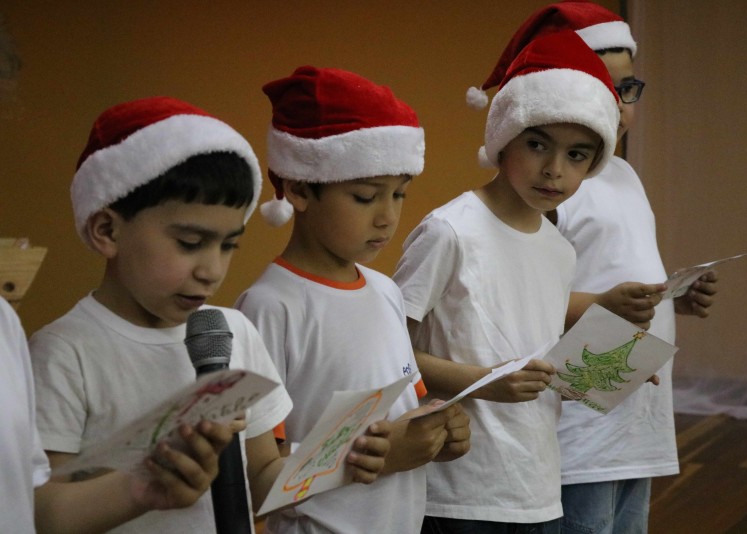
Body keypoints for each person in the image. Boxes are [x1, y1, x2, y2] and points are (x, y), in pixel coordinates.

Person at [28, 96, 390, 533]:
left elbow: (261, 480)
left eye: (228, 245)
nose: (212, 270)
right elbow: (41, 512)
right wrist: (142, 484)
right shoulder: (64, 352)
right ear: (107, 230)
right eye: (190, 243)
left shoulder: (232, 332)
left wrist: (338, 458)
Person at [489, 2, 718, 532]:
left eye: (626, 88)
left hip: (635, 420)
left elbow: (611, 272)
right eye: (600, 85)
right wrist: (602, 305)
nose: (616, 103)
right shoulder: (549, 186)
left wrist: (672, 299)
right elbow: (518, 296)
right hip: (579, 423)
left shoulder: (623, 175)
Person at [393, 30, 620, 533]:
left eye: (577, 155)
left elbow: (536, 351)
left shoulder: (559, 248)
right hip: (457, 495)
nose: (554, 170)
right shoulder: (449, 231)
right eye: (537, 145)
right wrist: (485, 381)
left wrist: (605, 368)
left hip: (536, 487)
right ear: (503, 138)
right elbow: (388, 354)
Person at [235, 65, 471, 533]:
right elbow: (258, 481)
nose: (387, 217)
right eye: (365, 197)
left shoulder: (385, 291)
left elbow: (406, 416)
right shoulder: (267, 308)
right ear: (299, 187)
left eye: (399, 195)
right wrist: (376, 457)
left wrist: (437, 433)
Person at [1, 294, 234, 534]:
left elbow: (24, 509)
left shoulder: (4, 321)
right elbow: (40, 516)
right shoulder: (61, 346)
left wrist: (144, 482)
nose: (209, 275)